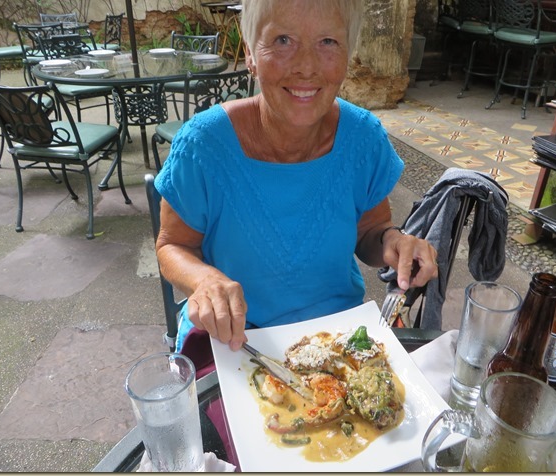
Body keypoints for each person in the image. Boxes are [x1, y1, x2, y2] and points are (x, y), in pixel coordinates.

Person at [154, 0, 439, 354]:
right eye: (283, 40)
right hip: (235, 341)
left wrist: (394, 242)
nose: (306, 67)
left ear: (348, 55)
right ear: (250, 53)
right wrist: (204, 279)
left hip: (338, 340)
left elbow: (370, 231)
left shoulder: (363, 138)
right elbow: (172, 245)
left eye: (328, 42)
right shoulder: (204, 145)